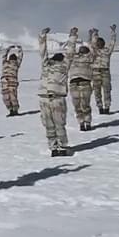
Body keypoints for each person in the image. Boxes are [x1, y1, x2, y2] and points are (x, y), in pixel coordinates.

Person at [38, 27, 75, 157]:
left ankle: (62, 147)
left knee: (59, 123)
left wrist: (72, 37)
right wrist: (42, 37)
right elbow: (43, 52)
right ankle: (54, 147)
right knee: (48, 124)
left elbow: (70, 53)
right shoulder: (46, 65)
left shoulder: (64, 66)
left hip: (57, 98)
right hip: (44, 98)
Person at [67, 28, 95, 131]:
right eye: (81, 49)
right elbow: (70, 47)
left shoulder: (89, 58)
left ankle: (88, 122)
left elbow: (92, 47)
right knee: (77, 105)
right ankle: (81, 123)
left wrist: (91, 35)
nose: (81, 50)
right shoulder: (73, 57)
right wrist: (73, 35)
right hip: (74, 83)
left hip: (85, 82)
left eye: (84, 49)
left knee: (85, 104)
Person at [90, 25, 117, 114]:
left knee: (107, 90)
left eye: (101, 43)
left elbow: (113, 42)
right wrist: (95, 33)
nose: (99, 44)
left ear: (104, 44)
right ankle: (100, 107)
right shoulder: (94, 50)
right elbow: (93, 42)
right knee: (97, 91)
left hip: (105, 72)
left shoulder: (107, 50)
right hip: (95, 72)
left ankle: (107, 107)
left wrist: (113, 32)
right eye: (98, 43)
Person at [1, 45, 24, 116]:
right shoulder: (5, 63)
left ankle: (15, 110)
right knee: (6, 98)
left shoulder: (16, 64)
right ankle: (10, 110)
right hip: (4, 82)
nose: (12, 59)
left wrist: (20, 49)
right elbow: (4, 55)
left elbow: (20, 57)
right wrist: (8, 48)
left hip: (12, 83)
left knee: (13, 97)